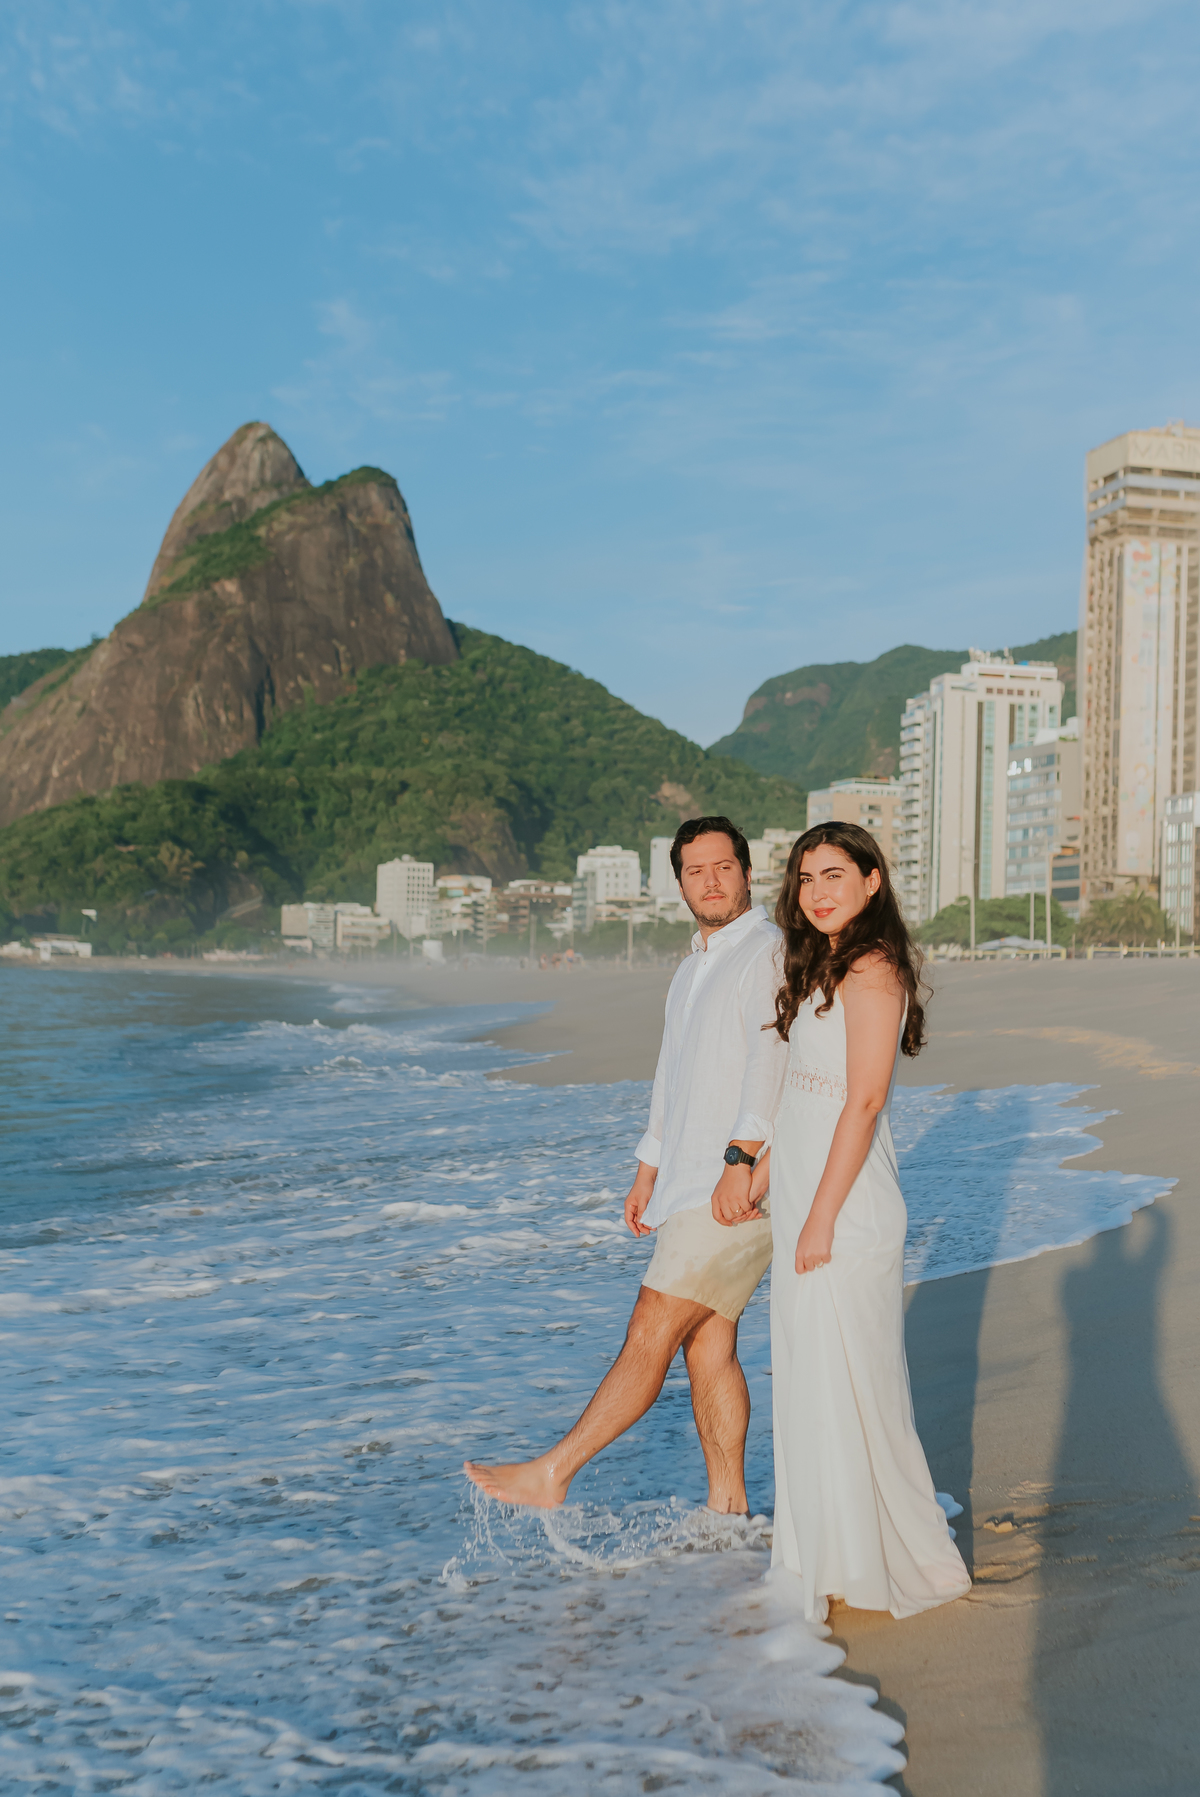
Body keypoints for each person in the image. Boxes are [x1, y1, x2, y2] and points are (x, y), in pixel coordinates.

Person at [464, 815, 788, 1512]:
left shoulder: (766, 950)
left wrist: (743, 1156)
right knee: (709, 1344)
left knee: (651, 1329)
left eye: (723, 866)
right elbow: (672, 1077)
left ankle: (556, 1470)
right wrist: (649, 1169)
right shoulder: (692, 967)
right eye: (696, 870)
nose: (710, 880)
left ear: (747, 872)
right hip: (689, 1181)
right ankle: (727, 1509)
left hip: (732, 1185)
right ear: (679, 883)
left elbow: (772, 1056)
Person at [757, 820, 971, 1620]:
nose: (817, 890)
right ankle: (834, 1554)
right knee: (817, 1382)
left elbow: (866, 1099)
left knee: (858, 1385)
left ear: (873, 881)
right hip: (809, 1197)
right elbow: (805, 1089)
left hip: (844, 1210)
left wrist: (817, 1218)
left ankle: (903, 1558)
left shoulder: (875, 968)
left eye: (835, 873)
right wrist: (770, 1175)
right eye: (806, 877)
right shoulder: (823, 963)